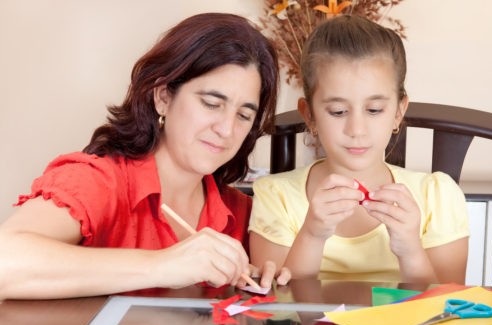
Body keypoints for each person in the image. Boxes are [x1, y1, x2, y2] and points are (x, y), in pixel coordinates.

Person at [0, 12, 290, 300]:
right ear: (163, 97)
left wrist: (278, 280)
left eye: (243, 115)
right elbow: (5, 262)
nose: (227, 129)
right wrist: (163, 264)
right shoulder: (100, 181)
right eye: (212, 103)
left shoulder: (242, 212)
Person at [249, 15, 469, 284]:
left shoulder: (437, 196)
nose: (357, 129)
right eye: (338, 111)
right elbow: (276, 311)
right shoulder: (276, 197)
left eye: (374, 110)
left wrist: (410, 249)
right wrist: (312, 234)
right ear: (310, 116)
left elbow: (447, 308)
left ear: (399, 112)